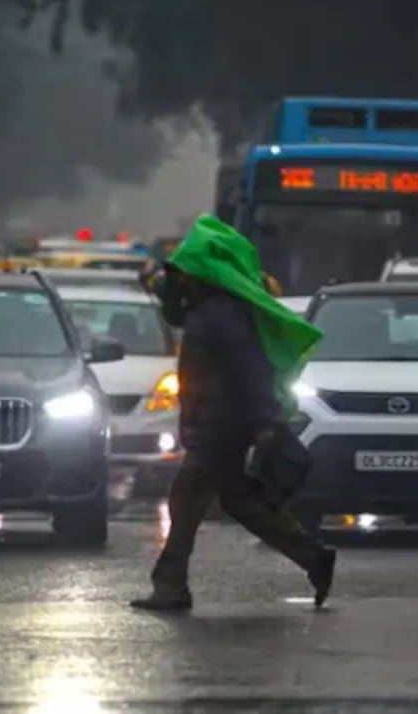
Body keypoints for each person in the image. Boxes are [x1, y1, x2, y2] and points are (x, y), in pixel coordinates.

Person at [131, 215, 336, 612]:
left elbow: (251, 367)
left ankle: (170, 586)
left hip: (221, 426)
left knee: (186, 496)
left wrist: (263, 423)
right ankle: (313, 556)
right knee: (237, 501)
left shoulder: (222, 312)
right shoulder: (207, 308)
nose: (179, 279)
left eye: (184, 273)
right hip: (215, 423)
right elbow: (173, 310)